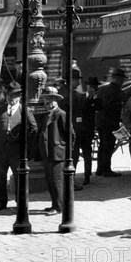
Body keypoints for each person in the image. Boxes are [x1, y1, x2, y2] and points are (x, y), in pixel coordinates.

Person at [0, 81, 38, 211]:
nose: (11, 98)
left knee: (19, 178)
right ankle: (1, 202)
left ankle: (20, 202)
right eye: (9, 96)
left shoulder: (24, 110)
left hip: (16, 152)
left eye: (14, 96)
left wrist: (24, 143)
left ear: (19, 97)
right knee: (0, 178)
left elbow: (33, 128)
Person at [39, 86, 75, 216]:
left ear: (56, 101)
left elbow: (71, 134)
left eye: (49, 100)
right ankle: (55, 204)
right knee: (50, 180)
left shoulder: (61, 114)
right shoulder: (48, 114)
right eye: (45, 100)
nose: (46, 103)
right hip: (49, 154)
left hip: (58, 154)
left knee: (56, 181)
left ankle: (59, 207)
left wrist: (66, 151)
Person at [95, 68, 128, 177]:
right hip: (110, 121)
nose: (123, 82)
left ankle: (99, 168)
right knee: (108, 146)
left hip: (100, 120)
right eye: (122, 80)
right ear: (118, 79)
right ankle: (106, 169)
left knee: (102, 145)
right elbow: (125, 99)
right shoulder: (116, 90)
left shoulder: (102, 89)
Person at [73, 76, 100, 186]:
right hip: (78, 129)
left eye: (93, 86)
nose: (91, 88)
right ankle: (72, 175)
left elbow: (99, 107)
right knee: (74, 153)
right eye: (90, 85)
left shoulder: (96, 97)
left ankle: (87, 175)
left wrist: (95, 97)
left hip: (87, 130)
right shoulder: (81, 96)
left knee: (87, 153)